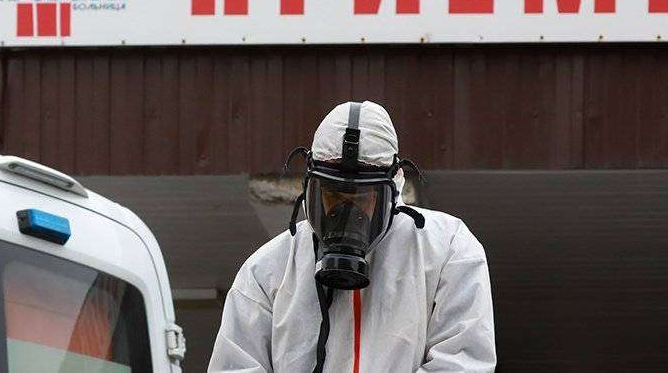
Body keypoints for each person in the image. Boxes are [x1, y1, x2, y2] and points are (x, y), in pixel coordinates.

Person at [208, 101, 496, 372]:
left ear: (391, 189)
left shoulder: (447, 249)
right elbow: (236, 366)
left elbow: (462, 362)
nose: (347, 213)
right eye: (333, 195)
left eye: (362, 197)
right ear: (312, 190)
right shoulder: (267, 270)